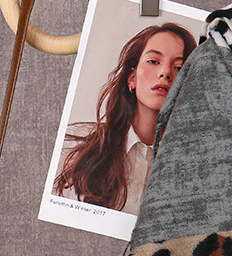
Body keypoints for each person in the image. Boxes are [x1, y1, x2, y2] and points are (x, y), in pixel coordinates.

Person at [53, 23, 198, 214]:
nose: (165, 73)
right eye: (153, 61)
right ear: (132, 78)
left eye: (179, 67)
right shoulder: (74, 145)